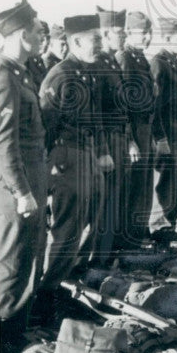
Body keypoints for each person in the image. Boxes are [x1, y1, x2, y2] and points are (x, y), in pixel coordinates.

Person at [0, 0, 47, 353]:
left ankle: (16, 334)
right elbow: (3, 145)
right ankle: (1, 345)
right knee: (10, 265)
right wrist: (22, 191)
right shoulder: (3, 79)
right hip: (11, 188)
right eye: (37, 31)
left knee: (26, 260)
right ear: (22, 34)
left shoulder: (19, 73)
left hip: (27, 182)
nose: (42, 37)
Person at [38, 15, 112, 295]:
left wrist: (102, 151)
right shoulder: (61, 75)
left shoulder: (88, 71)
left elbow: (97, 116)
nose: (101, 45)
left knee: (91, 223)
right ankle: (49, 294)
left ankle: (72, 284)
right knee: (67, 231)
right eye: (95, 39)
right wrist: (49, 168)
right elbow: (46, 124)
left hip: (88, 154)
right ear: (76, 41)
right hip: (67, 157)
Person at [89, 7, 139, 260]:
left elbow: (123, 106)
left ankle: (113, 252)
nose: (124, 37)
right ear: (107, 33)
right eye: (120, 33)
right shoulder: (97, 64)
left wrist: (129, 139)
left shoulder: (111, 61)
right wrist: (102, 150)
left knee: (119, 196)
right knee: (106, 201)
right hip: (106, 138)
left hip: (119, 136)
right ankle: (99, 258)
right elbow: (95, 110)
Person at [116, 9, 155, 247]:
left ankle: (138, 233)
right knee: (132, 186)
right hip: (133, 129)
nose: (148, 37)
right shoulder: (125, 58)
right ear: (129, 32)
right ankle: (127, 239)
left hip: (145, 128)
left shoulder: (141, 59)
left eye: (150, 33)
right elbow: (123, 104)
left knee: (143, 183)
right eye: (143, 33)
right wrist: (129, 139)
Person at [148, 15, 177, 243]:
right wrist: (160, 137)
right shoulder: (159, 63)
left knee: (175, 178)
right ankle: (158, 228)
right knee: (164, 179)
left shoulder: (173, 63)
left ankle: (169, 225)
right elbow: (155, 105)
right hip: (165, 126)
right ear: (167, 37)